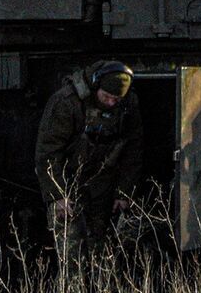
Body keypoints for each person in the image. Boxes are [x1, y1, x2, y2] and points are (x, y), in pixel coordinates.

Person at [34, 60, 143, 259]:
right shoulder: (67, 102)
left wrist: (124, 192)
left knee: (103, 257)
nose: (111, 103)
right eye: (107, 97)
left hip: (102, 189)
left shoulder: (127, 105)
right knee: (72, 258)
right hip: (67, 188)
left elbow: (133, 150)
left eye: (116, 100)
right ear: (95, 85)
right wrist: (57, 195)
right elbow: (48, 152)